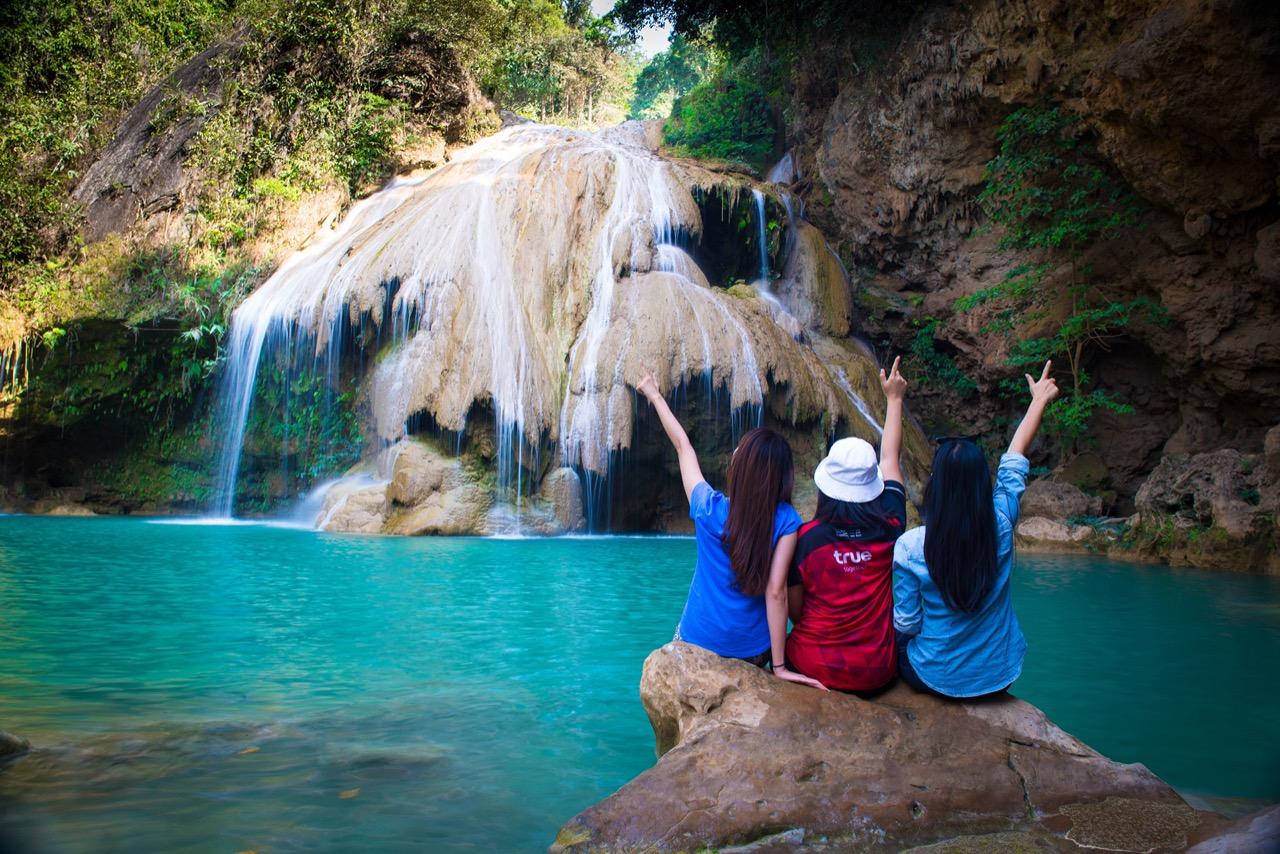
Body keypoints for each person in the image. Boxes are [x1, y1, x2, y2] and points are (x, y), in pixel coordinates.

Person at [635, 372, 820, 687]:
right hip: (754, 653)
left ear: (740, 468)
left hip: (698, 643)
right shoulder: (787, 520)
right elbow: (776, 592)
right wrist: (779, 667)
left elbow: (683, 446)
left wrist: (655, 396)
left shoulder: (707, 507)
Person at [892, 360, 1060, 699]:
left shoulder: (912, 546)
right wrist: (1038, 401)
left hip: (934, 675)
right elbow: (1014, 463)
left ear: (936, 486)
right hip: (1000, 675)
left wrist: (894, 400)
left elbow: (906, 623)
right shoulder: (1002, 524)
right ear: (984, 484)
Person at [769, 356, 910, 694]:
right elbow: (890, 459)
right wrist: (894, 400)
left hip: (813, 665)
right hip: (877, 671)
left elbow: (797, 613)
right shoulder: (891, 527)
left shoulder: (805, 539)